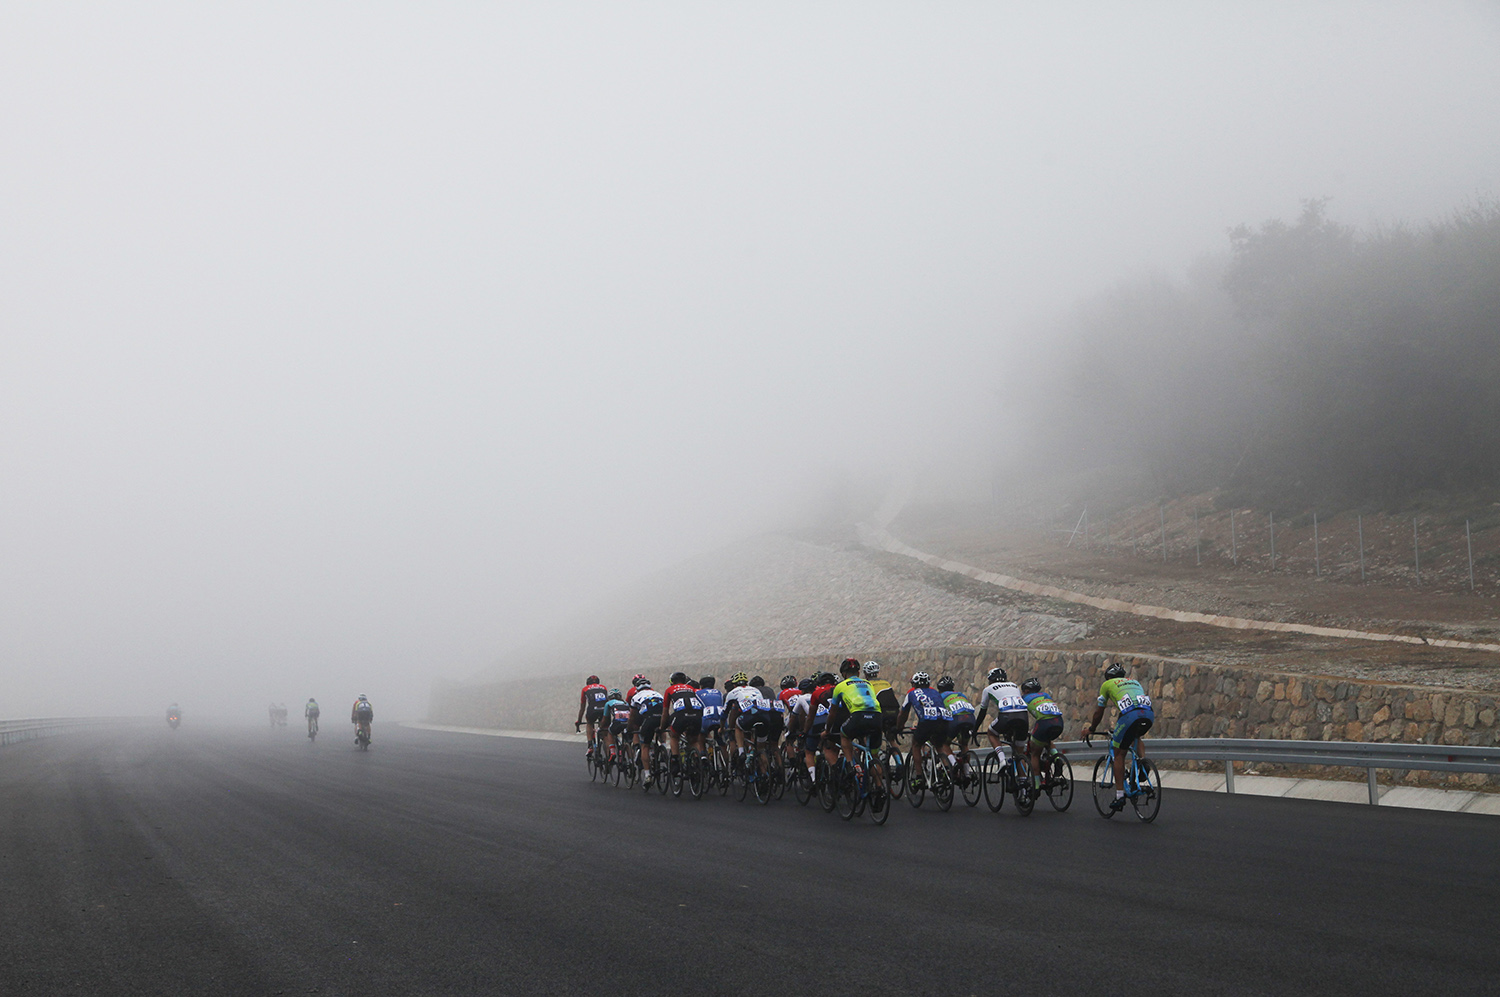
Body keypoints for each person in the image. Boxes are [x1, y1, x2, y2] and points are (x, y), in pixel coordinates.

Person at [1083, 661, 1155, 812]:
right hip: (1148, 714)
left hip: (1130, 716)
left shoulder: (1108, 684)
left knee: (1118, 753)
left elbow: (1099, 712)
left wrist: (1092, 728)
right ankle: (1142, 762)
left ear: (1108, 677)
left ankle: (1120, 795)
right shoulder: (1134, 682)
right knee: (1136, 737)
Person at [824, 659, 886, 794]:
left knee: (844, 734)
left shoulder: (840, 686)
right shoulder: (868, 683)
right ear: (858, 672)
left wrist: (827, 730)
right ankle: (880, 787)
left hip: (858, 716)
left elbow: (833, 713)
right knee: (873, 756)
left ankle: (850, 764)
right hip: (877, 717)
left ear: (843, 674)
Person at [896, 671, 951, 787]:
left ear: (914, 684)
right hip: (943, 720)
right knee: (939, 745)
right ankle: (947, 770)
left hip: (927, 721)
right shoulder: (935, 692)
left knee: (916, 744)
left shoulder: (911, 693)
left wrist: (899, 727)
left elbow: (903, 714)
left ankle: (919, 777)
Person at [974, 667, 1029, 764]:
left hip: (1006, 716)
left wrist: (975, 730)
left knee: (991, 733)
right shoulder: (1014, 685)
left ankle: (1002, 758)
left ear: (991, 680)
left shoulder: (988, 689)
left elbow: (983, 712)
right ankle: (1022, 778)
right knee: (1019, 753)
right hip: (1023, 716)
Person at [1020, 678, 1065, 791]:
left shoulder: (1024, 698)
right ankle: (1057, 759)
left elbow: (1022, 717)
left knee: (1034, 753)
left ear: (1026, 690)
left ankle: (1036, 784)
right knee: (1047, 741)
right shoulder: (1045, 695)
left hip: (1043, 723)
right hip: (1059, 722)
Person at [660, 671, 706, 770]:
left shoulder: (669, 690)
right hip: (697, 715)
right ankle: (698, 762)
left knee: (674, 736)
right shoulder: (691, 688)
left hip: (681, 715)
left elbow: (665, 712)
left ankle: (675, 761)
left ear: (672, 681)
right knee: (694, 740)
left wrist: (662, 727)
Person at [937, 676, 977, 776]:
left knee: (944, 743)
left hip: (956, 719)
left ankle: (953, 763)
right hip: (970, 719)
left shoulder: (940, 696)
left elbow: (939, 714)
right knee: (964, 744)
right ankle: (967, 772)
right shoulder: (961, 695)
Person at [628, 678, 664, 785]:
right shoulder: (658, 694)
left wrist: (629, 728)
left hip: (649, 718)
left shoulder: (636, 696)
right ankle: (663, 745)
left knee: (645, 745)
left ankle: (647, 775)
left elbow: (632, 717)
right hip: (662, 718)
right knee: (660, 729)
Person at [861, 661, 901, 739]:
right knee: (891, 739)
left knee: (867, 736)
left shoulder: (866, 684)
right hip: (895, 713)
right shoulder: (886, 683)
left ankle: (869, 750)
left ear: (865, 673)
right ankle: (895, 750)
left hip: (880, 714)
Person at [575, 675, 609, 748]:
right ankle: (609, 751)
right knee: (604, 729)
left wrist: (579, 720)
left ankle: (590, 743)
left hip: (592, 709)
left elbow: (582, 707)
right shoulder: (604, 687)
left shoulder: (585, 689)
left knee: (590, 723)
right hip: (604, 709)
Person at [697, 676, 724, 748]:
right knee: (721, 742)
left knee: (701, 734)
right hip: (720, 719)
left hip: (707, 718)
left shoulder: (697, 693)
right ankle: (726, 758)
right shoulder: (719, 692)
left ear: (701, 686)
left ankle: (703, 755)